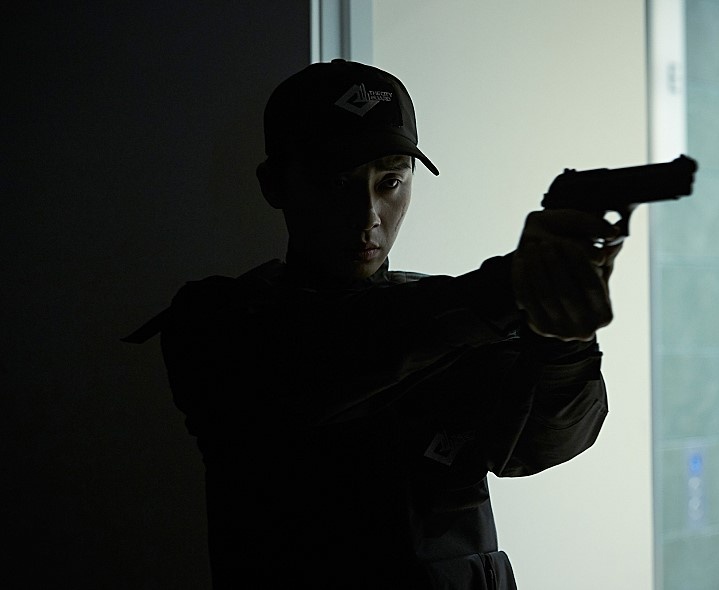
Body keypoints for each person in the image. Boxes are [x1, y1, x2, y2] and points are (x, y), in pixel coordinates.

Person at [125, 59, 623, 589]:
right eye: (336, 182)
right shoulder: (216, 322)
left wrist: (564, 337)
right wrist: (504, 291)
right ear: (276, 185)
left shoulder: (451, 317)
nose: (368, 215)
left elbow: (537, 445)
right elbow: (327, 359)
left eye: (390, 181)